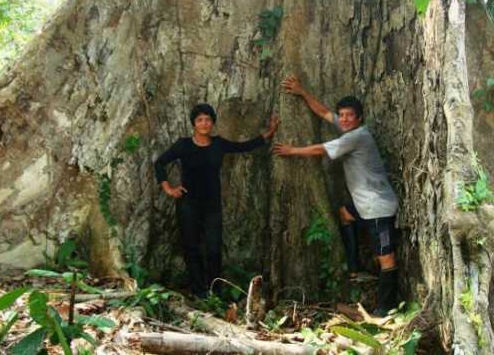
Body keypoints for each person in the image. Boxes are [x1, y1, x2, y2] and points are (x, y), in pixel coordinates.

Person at [274, 75, 398, 316]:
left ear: (359, 118)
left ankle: (385, 309)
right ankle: (355, 268)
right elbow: (324, 113)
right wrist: (301, 91)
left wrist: (292, 150)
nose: (344, 119)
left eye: (349, 115)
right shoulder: (347, 128)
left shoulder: (357, 136)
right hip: (364, 205)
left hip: (378, 207)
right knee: (344, 213)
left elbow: (322, 149)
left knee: (387, 259)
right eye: (342, 115)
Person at [155, 103, 279, 298]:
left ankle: (216, 291)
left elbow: (244, 146)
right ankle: (198, 292)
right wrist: (169, 189)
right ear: (194, 124)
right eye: (199, 120)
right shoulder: (183, 145)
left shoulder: (218, 144)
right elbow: (160, 163)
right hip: (188, 204)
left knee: (214, 248)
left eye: (207, 119)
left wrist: (270, 132)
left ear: (212, 122)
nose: (204, 123)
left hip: (212, 205)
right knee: (191, 247)